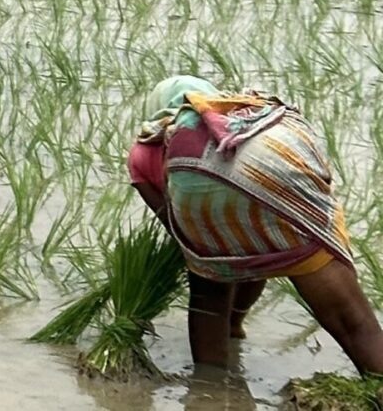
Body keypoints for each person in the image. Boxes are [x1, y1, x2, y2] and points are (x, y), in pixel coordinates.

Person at [128, 76, 383, 372]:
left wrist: (210, 258)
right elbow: (256, 241)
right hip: (276, 159)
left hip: (196, 180)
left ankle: (209, 392)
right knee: (355, 324)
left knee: (209, 290)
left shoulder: (143, 152)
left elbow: (182, 230)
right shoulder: (235, 112)